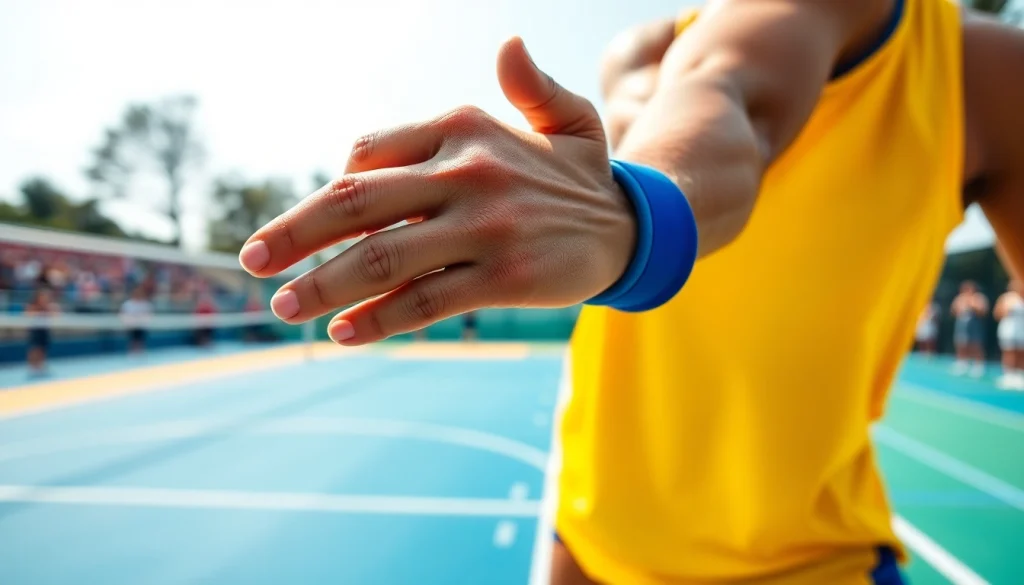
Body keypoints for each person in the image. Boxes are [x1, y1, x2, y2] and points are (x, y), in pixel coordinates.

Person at [240, 0, 1024, 582]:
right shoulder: (646, 53)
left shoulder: (987, 78)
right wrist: (634, 208)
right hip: (595, 548)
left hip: (814, 561)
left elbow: (735, 112)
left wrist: (629, 215)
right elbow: (724, 106)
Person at [951, 280, 989, 377]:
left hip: (974, 323)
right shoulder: (960, 298)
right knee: (961, 343)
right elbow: (953, 310)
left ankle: (978, 366)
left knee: (975, 344)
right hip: (961, 323)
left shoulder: (979, 297)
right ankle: (962, 363)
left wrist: (971, 304)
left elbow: (983, 311)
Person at [994, 280, 1024, 389]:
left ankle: (1020, 375)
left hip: (1022, 330)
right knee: (1009, 352)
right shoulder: (1006, 298)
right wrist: (1007, 309)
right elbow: (997, 314)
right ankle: (1008, 375)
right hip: (1008, 329)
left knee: (1021, 353)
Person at [24, 286, 60, 377]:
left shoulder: (49, 306)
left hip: (45, 330)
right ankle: (32, 367)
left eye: (46, 297)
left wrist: (49, 309)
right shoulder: (32, 306)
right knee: (35, 348)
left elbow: (55, 315)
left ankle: (41, 365)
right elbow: (28, 315)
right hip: (35, 330)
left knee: (43, 348)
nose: (44, 298)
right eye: (42, 296)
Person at [120, 286, 153, 355]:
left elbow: (149, 315)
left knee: (140, 340)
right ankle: (132, 353)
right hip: (131, 326)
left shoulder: (145, 304)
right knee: (132, 340)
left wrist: (144, 321)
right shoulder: (128, 304)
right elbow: (123, 315)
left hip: (142, 326)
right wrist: (127, 323)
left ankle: (140, 352)